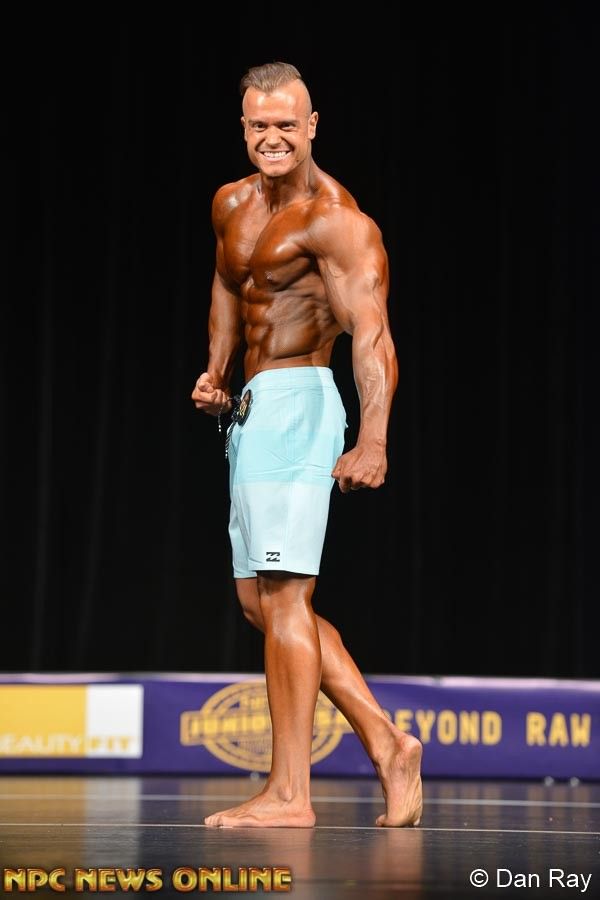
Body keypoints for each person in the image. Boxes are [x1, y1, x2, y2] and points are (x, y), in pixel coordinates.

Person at [191, 61, 422, 828]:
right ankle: (387, 741)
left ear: (313, 125)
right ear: (244, 127)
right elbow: (229, 286)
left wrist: (374, 439)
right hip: (254, 409)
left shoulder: (337, 221)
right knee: (259, 603)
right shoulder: (231, 203)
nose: (273, 137)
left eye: (287, 124)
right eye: (260, 125)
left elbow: (373, 335)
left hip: (301, 403)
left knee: (287, 598)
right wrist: (218, 370)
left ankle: (291, 794)